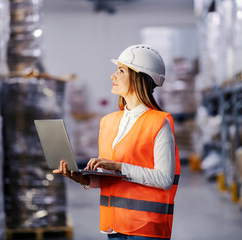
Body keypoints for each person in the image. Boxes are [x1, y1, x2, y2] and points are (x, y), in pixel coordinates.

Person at [53, 44, 181, 240]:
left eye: (121, 70)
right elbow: (112, 178)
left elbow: (165, 180)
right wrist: (85, 179)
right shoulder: (108, 122)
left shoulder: (158, 123)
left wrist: (119, 166)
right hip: (114, 226)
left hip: (145, 228)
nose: (113, 76)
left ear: (140, 77)